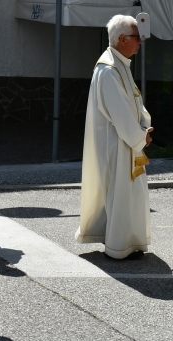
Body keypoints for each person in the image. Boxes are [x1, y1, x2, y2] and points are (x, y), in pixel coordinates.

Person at [76, 15, 153, 260]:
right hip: (117, 145)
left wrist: (145, 127)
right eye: (135, 36)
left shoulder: (121, 64)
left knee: (131, 194)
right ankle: (119, 246)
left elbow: (135, 102)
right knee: (121, 194)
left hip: (128, 141)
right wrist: (140, 137)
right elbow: (120, 114)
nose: (140, 40)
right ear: (121, 39)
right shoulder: (108, 70)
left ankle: (131, 241)